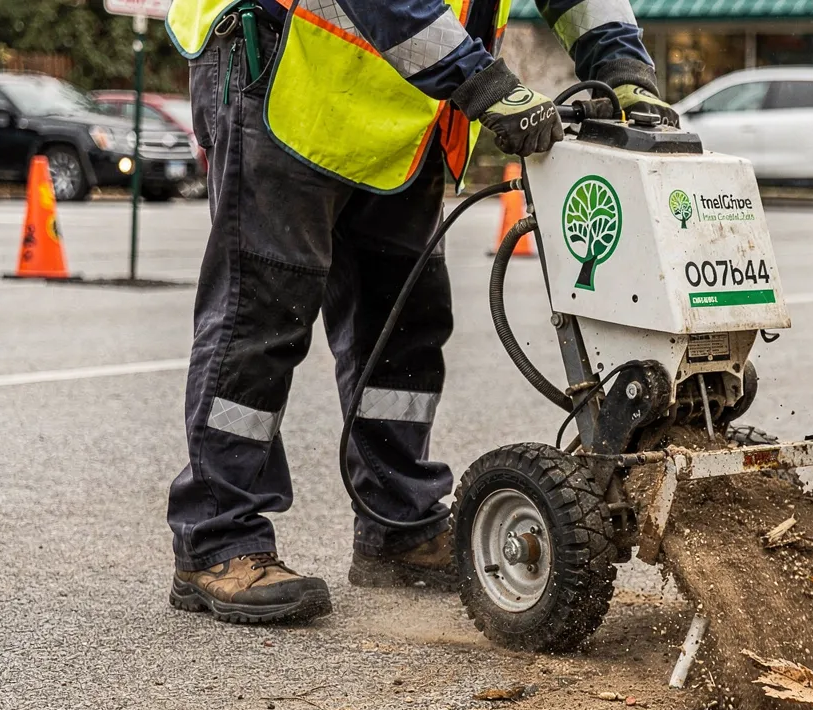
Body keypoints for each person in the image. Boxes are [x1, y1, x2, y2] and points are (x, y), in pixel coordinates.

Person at [161, 0, 675, 624]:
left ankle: (398, 526)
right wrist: (482, 83)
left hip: (400, 106)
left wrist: (622, 65)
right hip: (285, 72)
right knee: (262, 317)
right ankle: (217, 540)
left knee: (405, 321)